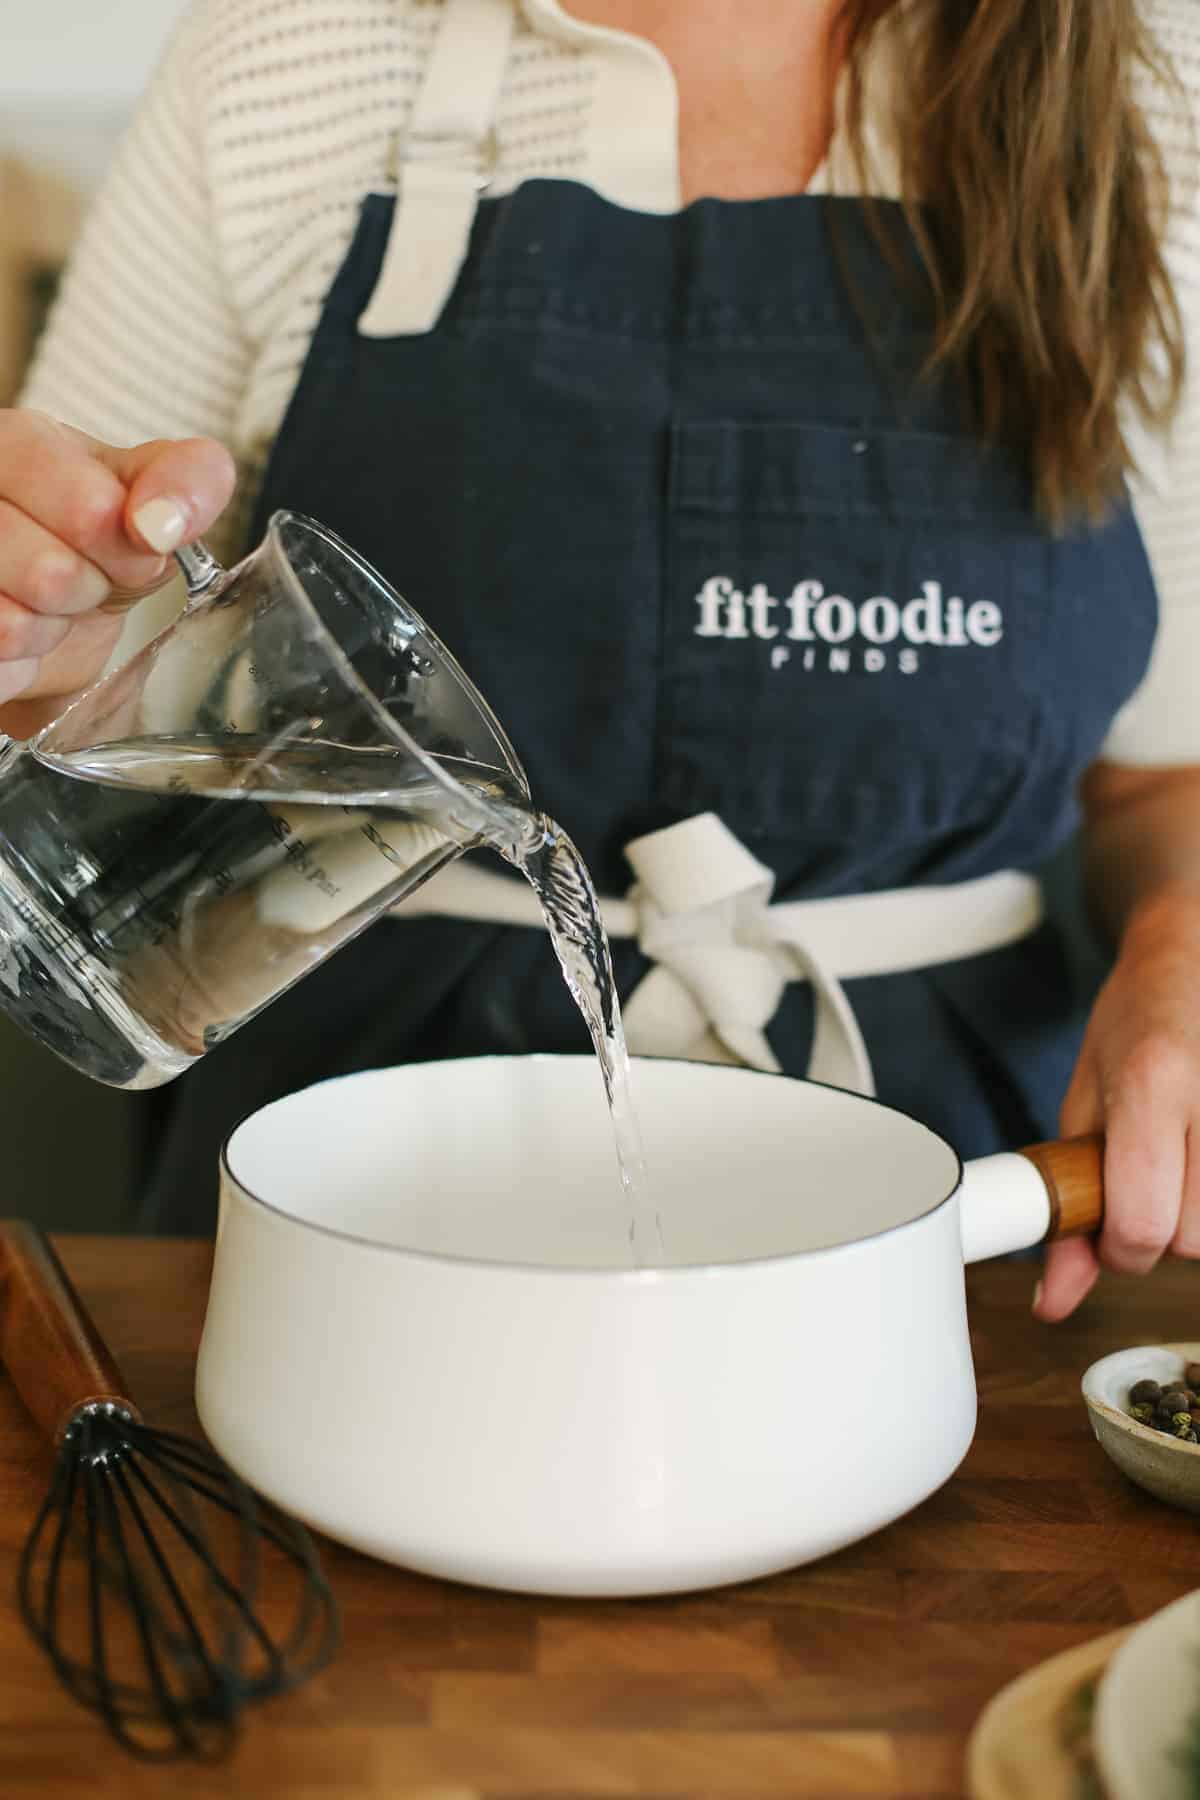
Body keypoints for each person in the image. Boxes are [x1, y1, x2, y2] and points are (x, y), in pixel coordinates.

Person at [1, 0, 1198, 1319]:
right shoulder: (296, 49)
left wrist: (1183, 947)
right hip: (349, 1192)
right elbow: (101, 651)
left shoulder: (1156, 97)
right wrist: (55, 624)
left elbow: (1164, 774)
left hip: (962, 1223)